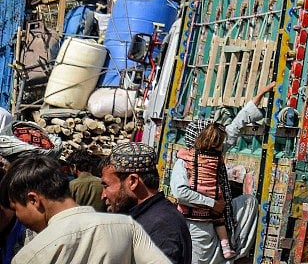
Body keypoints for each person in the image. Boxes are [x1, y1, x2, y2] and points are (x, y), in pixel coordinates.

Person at [0, 154, 170, 264]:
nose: (18, 217)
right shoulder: (127, 226)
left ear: (33, 200)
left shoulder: (30, 255)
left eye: (16, 208)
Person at [172, 83, 272, 264]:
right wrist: (211, 204)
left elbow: (233, 128)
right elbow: (180, 192)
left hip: (218, 215)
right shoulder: (183, 163)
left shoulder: (215, 153)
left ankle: (234, 250)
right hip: (196, 222)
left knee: (248, 203)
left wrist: (256, 100)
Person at [101, 144, 191, 264]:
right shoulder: (145, 216)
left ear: (132, 181)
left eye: (107, 186)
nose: (103, 195)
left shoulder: (162, 226)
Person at [173, 125, 236, 260]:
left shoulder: (185, 158)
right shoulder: (217, 159)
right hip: (201, 224)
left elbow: (180, 194)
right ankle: (226, 246)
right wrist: (212, 204)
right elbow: (181, 193)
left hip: (185, 220)